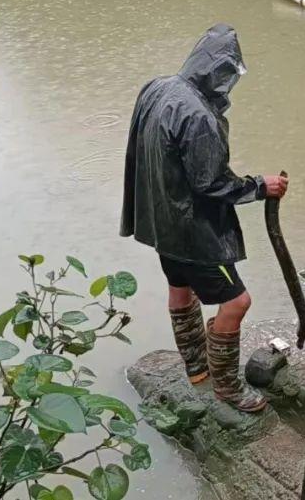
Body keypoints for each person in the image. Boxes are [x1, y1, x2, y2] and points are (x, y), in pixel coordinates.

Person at [120, 23, 288, 413]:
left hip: (161, 221)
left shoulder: (157, 88)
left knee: (180, 287)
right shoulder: (199, 117)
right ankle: (227, 387)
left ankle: (196, 367)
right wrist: (260, 186)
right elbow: (211, 183)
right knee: (237, 301)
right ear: (219, 72)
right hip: (195, 233)